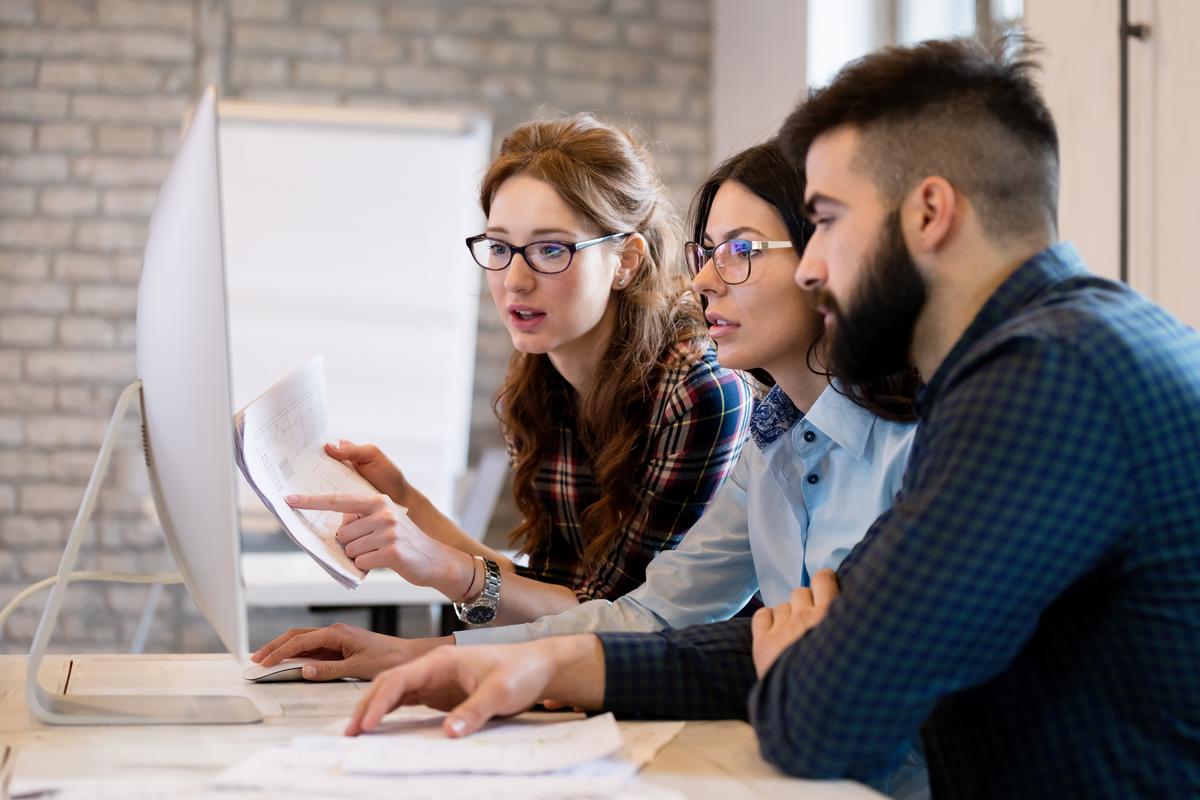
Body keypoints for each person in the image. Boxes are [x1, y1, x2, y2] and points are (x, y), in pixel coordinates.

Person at [341, 38, 1200, 800]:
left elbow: (828, 714)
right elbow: (781, 641)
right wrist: (541, 659)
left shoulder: (1043, 379)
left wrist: (804, 662)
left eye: (823, 222)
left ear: (930, 214)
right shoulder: (1065, 345)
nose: (817, 267)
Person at [270, 114, 752, 635]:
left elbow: (623, 619)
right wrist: (406, 503)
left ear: (626, 261)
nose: (514, 281)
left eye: (551, 249)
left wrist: (441, 570)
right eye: (499, 248)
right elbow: (552, 595)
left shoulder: (699, 389)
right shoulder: (537, 379)